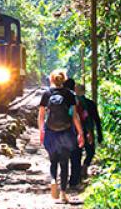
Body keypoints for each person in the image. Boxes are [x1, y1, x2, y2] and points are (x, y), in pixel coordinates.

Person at [38, 70, 84, 203]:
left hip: (51, 132)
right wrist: (80, 133)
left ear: (51, 80)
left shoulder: (46, 94)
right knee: (64, 163)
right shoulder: (70, 94)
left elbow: (41, 116)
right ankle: (63, 193)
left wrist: (42, 131)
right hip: (66, 132)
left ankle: (53, 180)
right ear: (63, 80)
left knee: (53, 161)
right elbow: (75, 116)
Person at [75, 84, 103, 178]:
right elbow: (97, 120)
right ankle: (85, 166)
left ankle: (76, 174)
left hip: (75, 132)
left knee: (76, 153)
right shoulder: (90, 103)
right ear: (84, 92)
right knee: (90, 152)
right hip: (88, 131)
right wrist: (99, 134)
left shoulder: (72, 104)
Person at [63, 78, 82, 189]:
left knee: (63, 158)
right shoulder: (74, 98)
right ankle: (74, 181)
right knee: (75, 156)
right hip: (72, 130)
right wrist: (81, 133)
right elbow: (76, 116)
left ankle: (62, 183)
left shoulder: (56, 96)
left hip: (58, 131)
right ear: (74, 87)